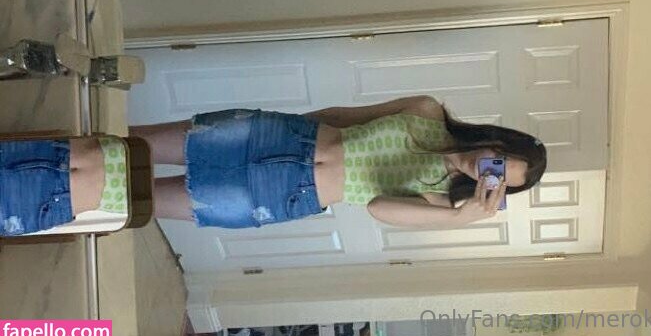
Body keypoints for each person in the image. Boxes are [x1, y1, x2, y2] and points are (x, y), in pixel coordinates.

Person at [131, 95, 547, 229]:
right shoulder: (426, 111)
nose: (488, 174)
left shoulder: (438, 202)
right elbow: (345, 115)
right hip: (278, 136)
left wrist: (459, 217)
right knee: (139, 141)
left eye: (499, 182)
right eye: (499, 162)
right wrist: (284, 125)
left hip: (281, 194)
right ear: (497, 142)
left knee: (138, 201)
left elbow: (378, 207)